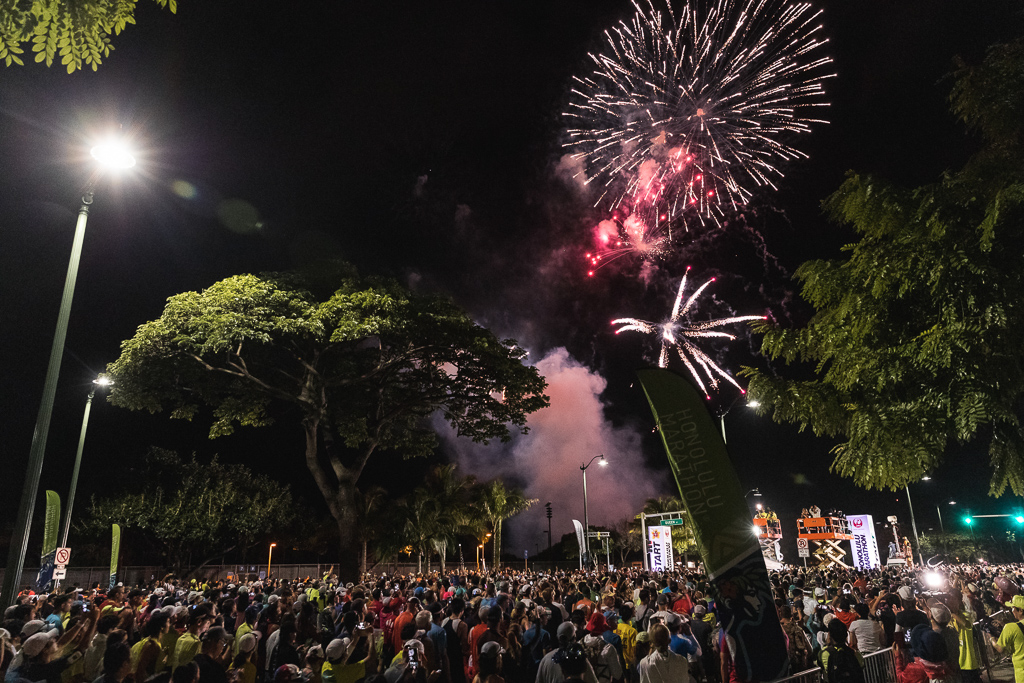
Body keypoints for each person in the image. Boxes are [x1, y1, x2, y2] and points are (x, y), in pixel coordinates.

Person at [989, 594, 1024, 683]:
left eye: (1013, 608)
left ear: (1020, 610)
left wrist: (992, 639)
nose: (1012, 611)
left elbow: (1000, 648)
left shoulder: (1011, 628)